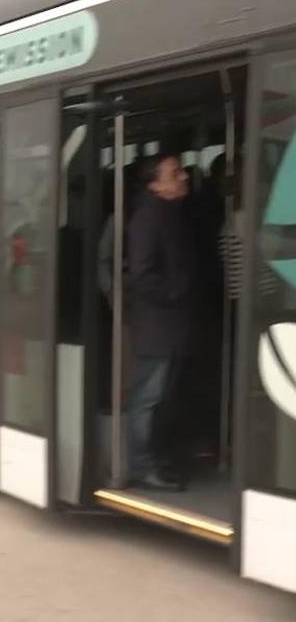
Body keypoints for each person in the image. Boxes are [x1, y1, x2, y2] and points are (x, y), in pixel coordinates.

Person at [125, 154, 195, 490]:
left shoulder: (173, 214)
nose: (184, 177)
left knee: (164, 399)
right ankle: (140, 466)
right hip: (156, 329)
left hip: (172, 327)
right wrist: (177, 291)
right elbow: (141, 275)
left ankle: (156, 459)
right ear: (155, 185)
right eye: (175, 172)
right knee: (147, 400)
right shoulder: (147, 219)